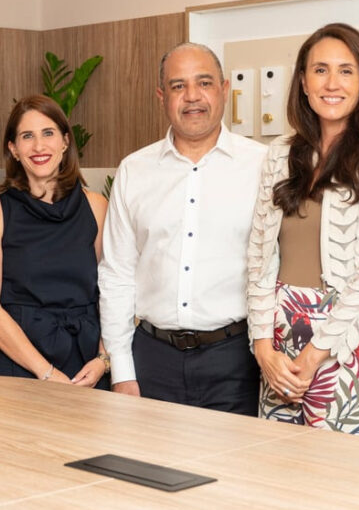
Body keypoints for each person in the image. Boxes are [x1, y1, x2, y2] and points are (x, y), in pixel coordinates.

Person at [247, 22, 359, 440]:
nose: (332, 82)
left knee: (353, 491)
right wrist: (262, 346)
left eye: (346, 70)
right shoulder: (280, 154)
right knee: (282, 484)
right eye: (320, 70)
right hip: (281, 351)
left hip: (353, 345)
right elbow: (257, 258)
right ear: (303, 82)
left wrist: (317, 351)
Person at [99, 43, 266, 414]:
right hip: (151, 361)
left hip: (236, 362)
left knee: (236, 470)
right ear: (162, 97)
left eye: (203, 83)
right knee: (147, 469)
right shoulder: (134, 170)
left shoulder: (263, 166)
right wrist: (122, 371)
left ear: (224, 90)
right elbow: (117, 275)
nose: (192, 97)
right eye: (178, 86)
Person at [0, 95, 109, 386]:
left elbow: (111, 293)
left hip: (87, 367)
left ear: (65, 142)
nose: (39, 146)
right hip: (19, 365)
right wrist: (45, 372)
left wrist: (103, 359)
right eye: (27, 136)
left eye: (48, 133)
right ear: (14, 149)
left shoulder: (96, 207)